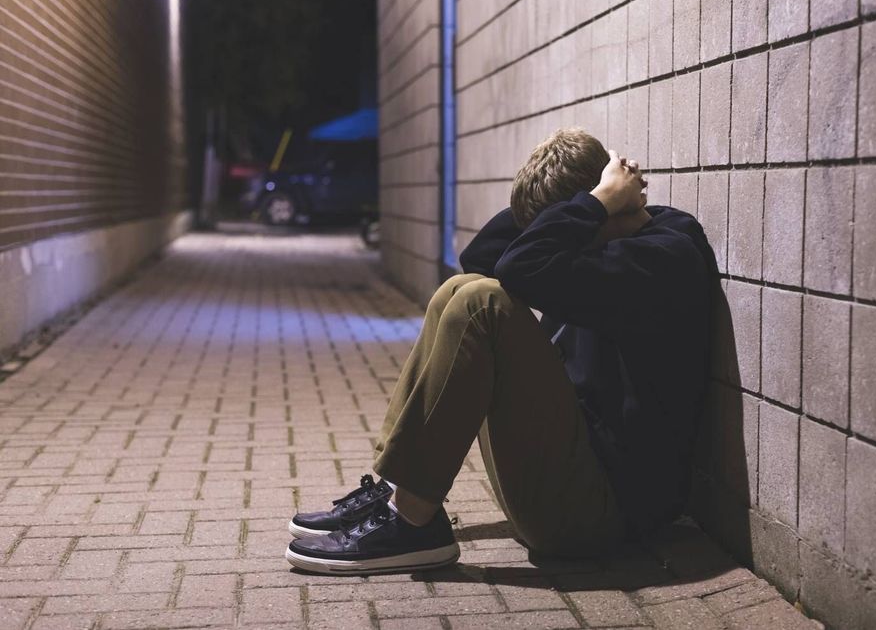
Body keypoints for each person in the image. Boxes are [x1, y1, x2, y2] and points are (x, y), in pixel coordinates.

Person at [285, 128, 719, 575]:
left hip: (602, 512)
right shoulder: (598, 244)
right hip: (569, 475)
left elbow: (518, 265)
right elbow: (481, 256)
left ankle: (414, 524)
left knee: (482, 304)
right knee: (462, 288)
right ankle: (398, 492)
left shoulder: (662, 259)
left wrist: (593, 202)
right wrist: (588, 204)